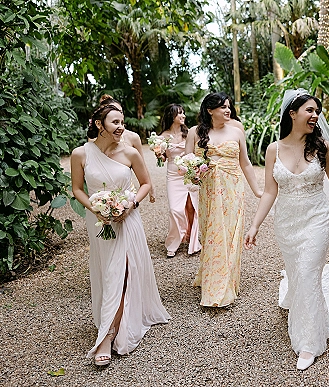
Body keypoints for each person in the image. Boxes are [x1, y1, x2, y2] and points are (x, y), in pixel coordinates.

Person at [244, 89, 329, 371]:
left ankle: (309, 342)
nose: (315, 115)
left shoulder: (323, 146)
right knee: (297, 272)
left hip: (317, 219)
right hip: (286, 222)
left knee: (308, 272)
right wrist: (254, 225)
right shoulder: (273, 149)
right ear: (292, 113)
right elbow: (270, 192)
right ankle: (295, 298)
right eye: (309, 110)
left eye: (316, 111)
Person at [70, 102, 170, 366]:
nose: (121, 126)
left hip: (128, 220)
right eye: (115, 122)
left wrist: (130, 205)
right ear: (99, 125)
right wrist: (96, 208)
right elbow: (77, 189)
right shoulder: (80, 154)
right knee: (107, 273)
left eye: (122, 121)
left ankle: (108, 335)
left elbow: (146, 183)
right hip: (99, 222)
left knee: (121, 272)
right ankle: (112, 320)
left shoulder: (130, 153)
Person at [184, 92, 262, 307]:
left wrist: (257, 190)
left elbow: (245, 163)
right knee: (211, 232)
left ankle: (221, 286)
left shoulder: (236, 132)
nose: (228, 110)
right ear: (210, 110)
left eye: (228, 106)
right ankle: (211, 273)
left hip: (232, 189)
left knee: (229, 233)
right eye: (222, 107)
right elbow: (187, 163)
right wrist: (193, 173)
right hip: (209, 189)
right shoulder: (194, 132)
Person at [159, 104, 201, 257]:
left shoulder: (189, 133)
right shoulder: (162, 136)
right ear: (172, 116)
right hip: (173, 175)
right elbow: (163, 158)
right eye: (180, 113)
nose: (183, 116)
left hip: (188, 173)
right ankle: (174, 241)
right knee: (175, 209)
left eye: (183, 113)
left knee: (191, 207)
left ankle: (191, 238)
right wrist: (159, 155)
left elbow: (196, 152)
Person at [98, 94, 156, 203]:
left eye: (120, 112)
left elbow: (142, 164)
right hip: (101, 194)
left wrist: (151, 187)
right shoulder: (94, 140)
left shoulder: (133, 137)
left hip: (126, 193)